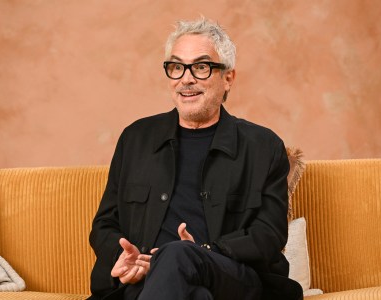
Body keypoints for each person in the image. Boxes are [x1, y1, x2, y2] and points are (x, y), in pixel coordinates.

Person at [88, 18, 303, 300]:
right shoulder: (136, 139)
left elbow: (268, 235)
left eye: (200, 67)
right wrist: (125, 257)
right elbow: (104, 224)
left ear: (228, 78)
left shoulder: (263, 146)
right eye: (176, 67)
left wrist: (203, 252)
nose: (186, 79)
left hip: (233, 279)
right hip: (146, 282)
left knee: (178, 254)